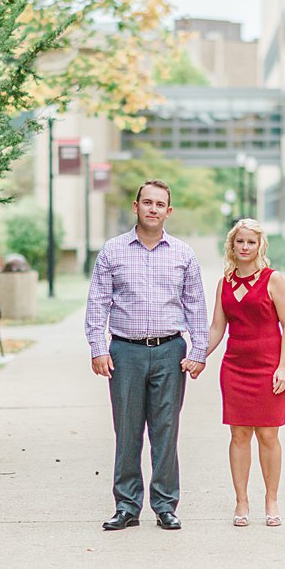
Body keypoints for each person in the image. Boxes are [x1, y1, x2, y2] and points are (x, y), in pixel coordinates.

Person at [85, 179, 208, 532]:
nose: (153, 209)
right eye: (147, 202)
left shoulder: (183, 254)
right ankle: (126, 506)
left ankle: (165, 505)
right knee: (127, 431)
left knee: (165, 430)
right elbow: (98, 302)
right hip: (125, 352)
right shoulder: (113, 251)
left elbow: (196, 306)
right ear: (136, 206)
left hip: (170, 352)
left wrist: (198, 351)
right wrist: (97, 348)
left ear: (169, 211)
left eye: (160, 204)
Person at [205, 217, 285, 528]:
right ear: (232, 244)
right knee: (239, 434)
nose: (245, 247)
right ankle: (241, 501)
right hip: (235, 367)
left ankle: (271, 498)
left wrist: (282, 366)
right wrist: (196, 355)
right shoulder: (224, 283)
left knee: (268, 435)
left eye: (251, 242)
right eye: (240, 241)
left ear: (260, 246)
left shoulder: (273, 280)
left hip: (270, 367)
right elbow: (217, 328)